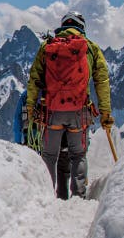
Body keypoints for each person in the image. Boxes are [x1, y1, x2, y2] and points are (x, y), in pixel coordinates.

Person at [25, 12, 113, 199]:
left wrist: (31, 106)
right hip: (79, 112)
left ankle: (46, 194)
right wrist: (105, 112)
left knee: (49, 155)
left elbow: (34, 78)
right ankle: (79, 195)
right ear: (82, 27)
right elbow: (102, 81)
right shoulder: (90, 48)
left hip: (52, 111)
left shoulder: (47, 47)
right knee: (78, 155)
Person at [13, 90, 72, 199]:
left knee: (34, 170)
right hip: (53, 139)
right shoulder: (55, 93)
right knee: (60, 168)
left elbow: (17, 120)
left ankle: (36, 197)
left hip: (30, 142)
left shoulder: (26, 95)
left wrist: (17, 142)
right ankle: (60, 198)